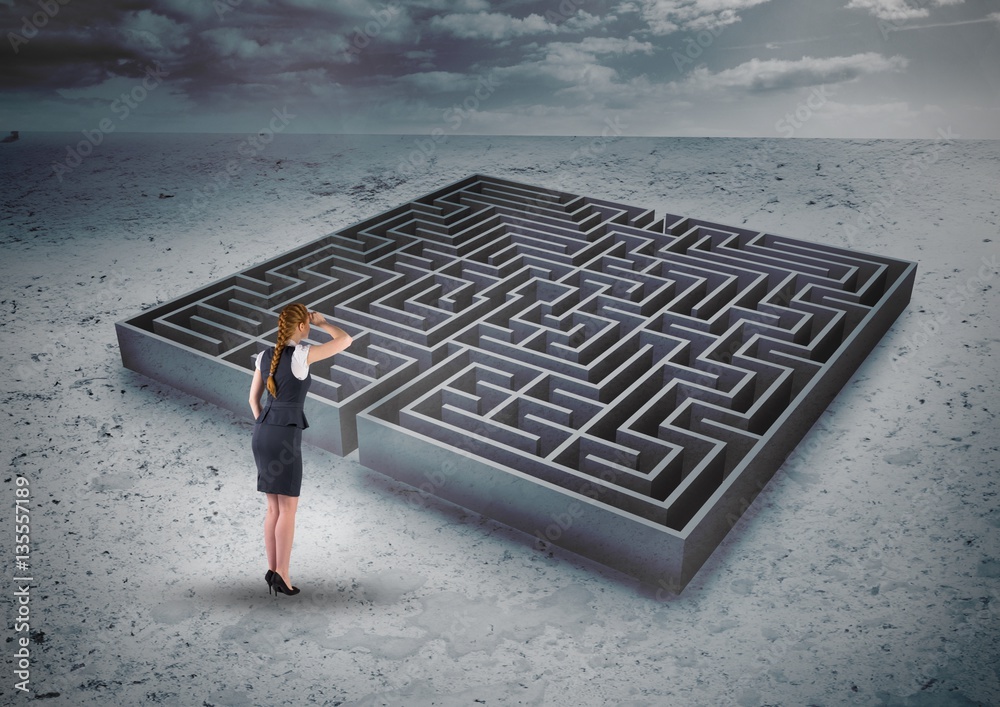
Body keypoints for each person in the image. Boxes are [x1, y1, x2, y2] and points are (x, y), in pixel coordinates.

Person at [248, 303, 353, 596]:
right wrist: (323, 322)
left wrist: (266, 426)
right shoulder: (302, 355)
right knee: (288, 509)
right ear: (302, 327)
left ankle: (272, 571)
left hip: (262, 433)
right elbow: (345, 340)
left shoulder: (263, 356)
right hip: (285, 436)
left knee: (272, 508)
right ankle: (283, 574)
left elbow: (253, 402)